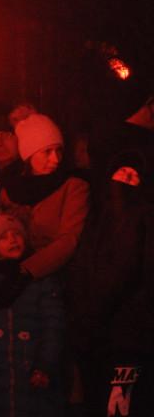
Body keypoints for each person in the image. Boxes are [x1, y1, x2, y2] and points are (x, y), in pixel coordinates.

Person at [67, 148, 154, 417]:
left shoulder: (143, 215)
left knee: (119, 405)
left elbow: (126, 269)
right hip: (95, 335)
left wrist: (92, 311)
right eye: (122, 172)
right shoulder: (98, 215)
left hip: (127, 334)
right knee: (97, 401)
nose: (126, 179)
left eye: (134, 176)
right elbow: (82, 263)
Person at [0, 215, 65, 417]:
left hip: (32, 370)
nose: (13, 240)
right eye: (3, 237)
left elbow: (53, 326)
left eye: (16, 234)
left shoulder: (40, 277)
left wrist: (45, 365)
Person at [0, 113, 89, 307]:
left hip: (55, 281)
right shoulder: (11, 190)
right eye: (47, 152)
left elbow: (69, 240)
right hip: (12, 277)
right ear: (29, 154)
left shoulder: (73, 187)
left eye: (59, 151)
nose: (56, 159)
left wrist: (27, 270)